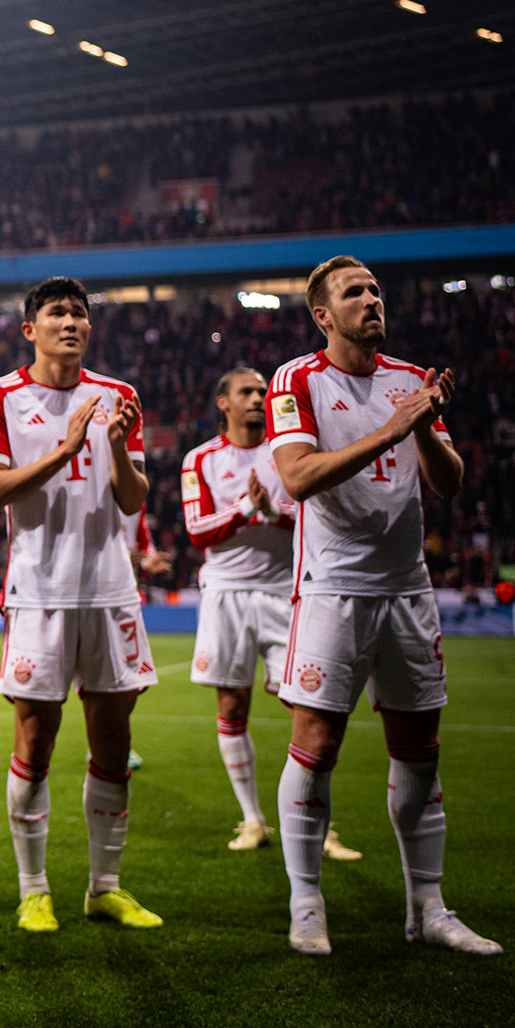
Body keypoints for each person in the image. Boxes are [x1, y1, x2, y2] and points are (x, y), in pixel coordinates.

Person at [266, 255, 499, 956]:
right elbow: (298, 476)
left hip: (407, 589)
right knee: (317, 745)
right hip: (333, 589)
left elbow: (450, 485)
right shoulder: (297, 380)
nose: (371, 300)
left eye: (375, 290)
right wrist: (392, 429)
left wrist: (424, 424)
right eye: (353, 292)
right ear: (323, 315)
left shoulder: (408, 381)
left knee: (420, 752)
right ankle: (306, 903)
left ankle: (427, 907)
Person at [0, 276, 161, 935]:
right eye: (57, 313)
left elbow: (135, 500)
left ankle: (104, 887)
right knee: (35, 739)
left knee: (114, 742)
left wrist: (110, 448)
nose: (72, 322)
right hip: (39, 592)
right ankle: (34, 889)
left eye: (80, 313)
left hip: (110, 590)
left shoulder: (120, 397)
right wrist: (67, 449)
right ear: (30, 329)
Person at [183, 368, 360, 860]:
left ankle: (317, 826)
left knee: (307, 712)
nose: (259, 398)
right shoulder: (199, 459)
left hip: (287, 591)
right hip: (227, 593)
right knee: (232, 708)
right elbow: (197, 531)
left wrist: (269, 512)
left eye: (262, 391)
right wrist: (246, 508)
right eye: (247, 391)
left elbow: (312, 514)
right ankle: (253, 819)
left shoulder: (288, 451)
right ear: (224, 402)